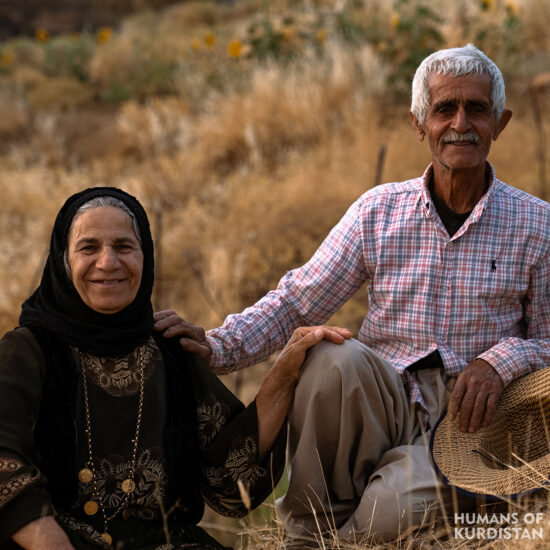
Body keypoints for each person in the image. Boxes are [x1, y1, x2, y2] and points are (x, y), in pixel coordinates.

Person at [154, 44, 550, 544]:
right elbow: (297, 301)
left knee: (388, 513)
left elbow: (549, 341)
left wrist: (501, 360)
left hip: (468, 424)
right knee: (322, 353)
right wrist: (215, 348)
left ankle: (349, 533)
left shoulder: (538, 224)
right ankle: (304, 532)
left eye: (478, 108)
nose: (460, 124)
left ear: (502, 121)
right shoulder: (378, 211)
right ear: (418, 122)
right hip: (382, 399)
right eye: (444, 109)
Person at [0, 187, 341, 550]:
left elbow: (231, 485)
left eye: (124, 247)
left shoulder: (168, 351)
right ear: (63, 261)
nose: (108, 262)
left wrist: (284, 376)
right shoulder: (28, 351)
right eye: (89, 248)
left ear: (145, 258)